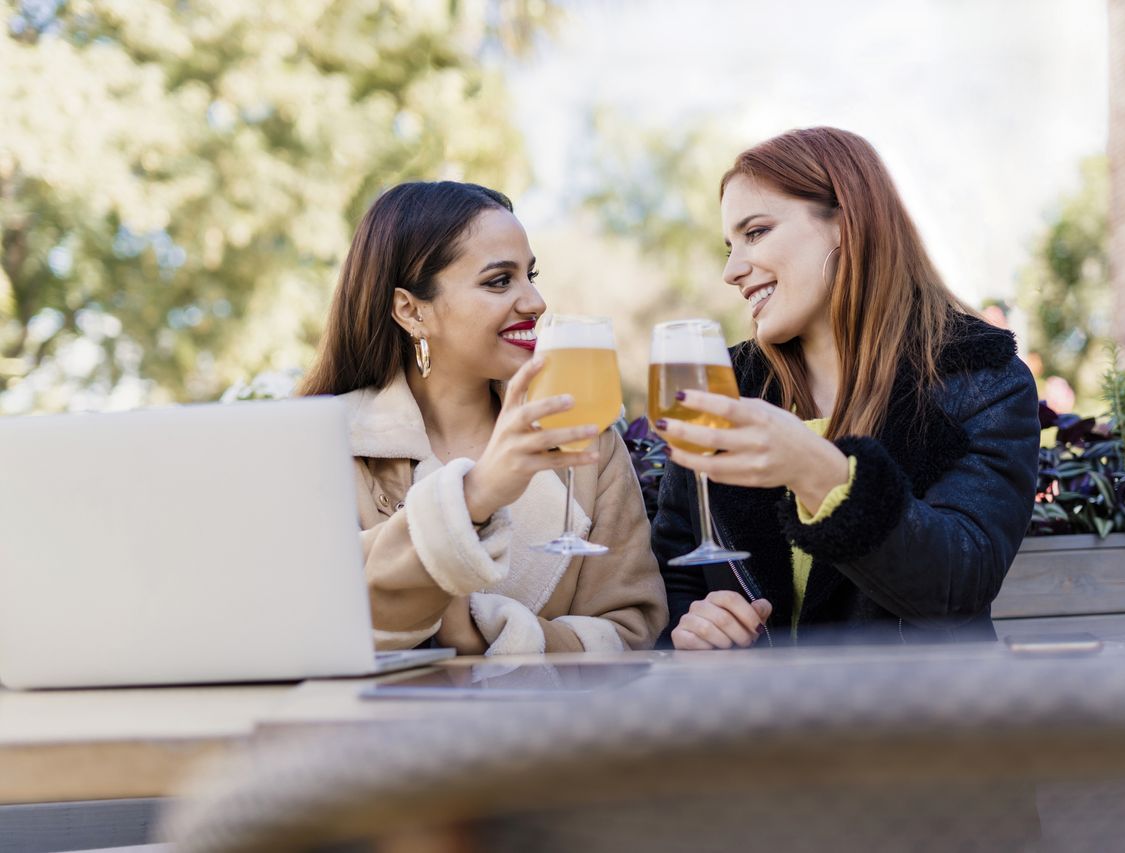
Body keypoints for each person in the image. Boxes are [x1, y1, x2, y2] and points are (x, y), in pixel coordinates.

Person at [652, 128, 1040, 649]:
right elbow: (677, 573)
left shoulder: (979, 377)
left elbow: (956, 584)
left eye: (757, 232)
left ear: (847, 223)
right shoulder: (728, 386)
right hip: (756, 722)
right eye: (730, 244)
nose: (731, 270)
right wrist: (693, 632)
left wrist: (816, 471)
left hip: (924, 721)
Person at [300, 181, 666, 655]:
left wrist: (487, 634)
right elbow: (318, 616)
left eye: (531, 276)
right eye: (499, 281)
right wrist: (474, 497)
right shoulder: (326, 445)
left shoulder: (588, 442)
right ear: (411, 311)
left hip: (556, 729)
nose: (535, 302)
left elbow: (632, 631)